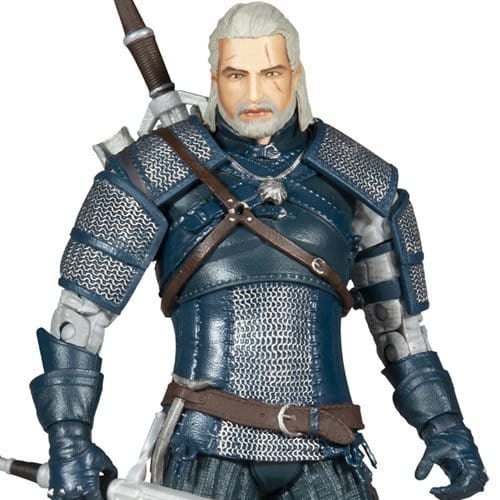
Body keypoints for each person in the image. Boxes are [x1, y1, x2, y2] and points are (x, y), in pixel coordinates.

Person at [29, 2, 487, 499]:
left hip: (328, 446)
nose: (253, 94)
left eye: (270, 73)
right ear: (213, 79)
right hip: (205, 448)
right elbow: (78, 320)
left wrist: (444, 426)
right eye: (235, 75)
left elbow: (397, 327)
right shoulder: (154, 169)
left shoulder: (357, 179)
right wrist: (69, 440)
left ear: (296, 74)